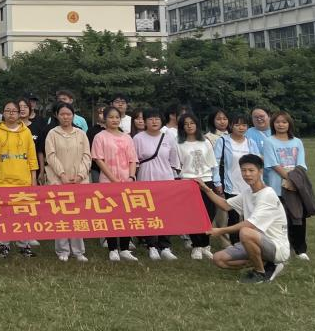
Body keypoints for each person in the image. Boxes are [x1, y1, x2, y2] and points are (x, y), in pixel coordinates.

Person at [198, 155, 289, 283]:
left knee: (245, 231)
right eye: (243, 170)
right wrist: (206, 189)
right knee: (218, 259)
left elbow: (250, 224)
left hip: (276, 247)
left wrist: (220, 231)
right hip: (255, 242)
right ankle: (265, 264)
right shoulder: (248, 192)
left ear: (260, 171)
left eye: (251, 170)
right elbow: (225, 205)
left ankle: (260, 273)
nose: (247, 174)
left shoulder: (267, 195)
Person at [0, 99, 39, 258]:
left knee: (23, 216)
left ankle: (24, 245)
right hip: (2, 181)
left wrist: (33, 179)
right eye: (7, 111)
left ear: (19, 114)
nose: (11, 114)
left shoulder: (26, 132)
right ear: (3, 113)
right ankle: (4, 245)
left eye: (14, 111)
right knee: (4, 215)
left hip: (23, 181)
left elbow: (32, 157)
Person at [44, 104, 91, 262]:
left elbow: (87, 156)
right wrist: (62, 175)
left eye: (69, 114)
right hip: (59, 180)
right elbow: (51, 156)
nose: (65, 117)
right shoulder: (52, 133)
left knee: (78, 216)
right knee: (61, 216)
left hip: (78, 181)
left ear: (73, 115)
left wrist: (80, 175)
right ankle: (62, 250)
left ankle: (78, 251)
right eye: (62, 114)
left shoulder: (81, 134)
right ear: (57, 115)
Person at [91, 106, 138, 261]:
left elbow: (132, 159)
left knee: (126, 214)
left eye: (117, 117)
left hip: (126, 181)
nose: (114, 120)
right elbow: (98, 159)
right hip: (107, 181)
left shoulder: (127, 137)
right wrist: (113, 179)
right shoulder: (100, 137)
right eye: (111, 117)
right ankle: (112, 249)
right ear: (104, 119)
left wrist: (131, 177)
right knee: (110, 215)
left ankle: (124, 248)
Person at [261, 111, 310, 260]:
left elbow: (301, 164)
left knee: (298, 217)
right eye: (277, 122)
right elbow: (272, 164)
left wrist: (294, 181)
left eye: (284, 122)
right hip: (277, 187)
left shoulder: (297, 142)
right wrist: (289, 178)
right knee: (281, 219)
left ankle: (300, 249)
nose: (281, 125)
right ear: (273, 124)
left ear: (289, 124)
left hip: (295, 187)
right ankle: (282, 247)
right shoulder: (269, 141)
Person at [133, 108, 180, 260]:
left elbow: (174, 161)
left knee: (166, 213)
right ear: (145, 121)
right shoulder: (138, 138)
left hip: (165, 179)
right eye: (150, 119)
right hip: (146, 178)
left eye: (157, 119)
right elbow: (134, 160)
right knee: (149, 213)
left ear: (162, 121)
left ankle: (165, 246)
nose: (154, 122)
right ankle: (151, 245)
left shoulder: (169, 138)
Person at [177, 111, 220, 260]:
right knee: (192, 215)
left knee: (208, 213)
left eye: (192, 123)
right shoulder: (179, 144)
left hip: (206, 179)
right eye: (186, 124)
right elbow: (177, 165)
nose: (189, 126)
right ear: (182, 127)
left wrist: (215, 182)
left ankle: (206, 245)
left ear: (197, 125)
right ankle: (196, 245)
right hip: (188, 181)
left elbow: (212, 163)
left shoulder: (205, 142)